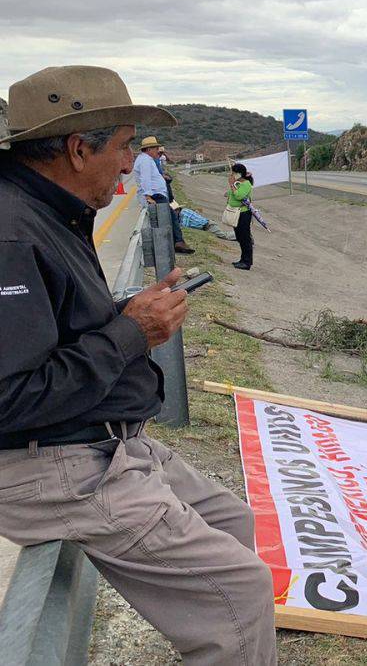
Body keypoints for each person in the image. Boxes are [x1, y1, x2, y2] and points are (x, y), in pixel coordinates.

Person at [0, 65, 275, 664]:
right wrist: (130, 333)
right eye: (125, 146)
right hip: (52, 462)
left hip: (96, 439)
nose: (132, 165)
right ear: (77, 149)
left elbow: (50, 329)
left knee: (231, 520)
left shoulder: (48, 211)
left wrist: (129, 312)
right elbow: (9, 400)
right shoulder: (13, 235)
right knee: (241, 589)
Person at [134, 136, 192, 254]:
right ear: (149, 149)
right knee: (170, 218)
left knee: (170, 217)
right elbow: (145, 178)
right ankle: (177, 242)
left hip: (157, 195)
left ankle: (176, 243)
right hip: (155, 196)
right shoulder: (145, 160)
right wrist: (148, 196)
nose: (158, 151)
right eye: (156, 149)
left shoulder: (146, 159)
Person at [226, 163, 255, 269]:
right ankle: (242, 259)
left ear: (239, 173)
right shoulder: (237, 183)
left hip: (243, 214)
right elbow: (231, 194)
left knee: (245, 238)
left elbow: (239, 196)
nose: (232, 175)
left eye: (233, 173)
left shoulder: (246, 184)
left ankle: (247, 262)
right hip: (236, 213)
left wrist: (231, 185)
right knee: (239, 237)